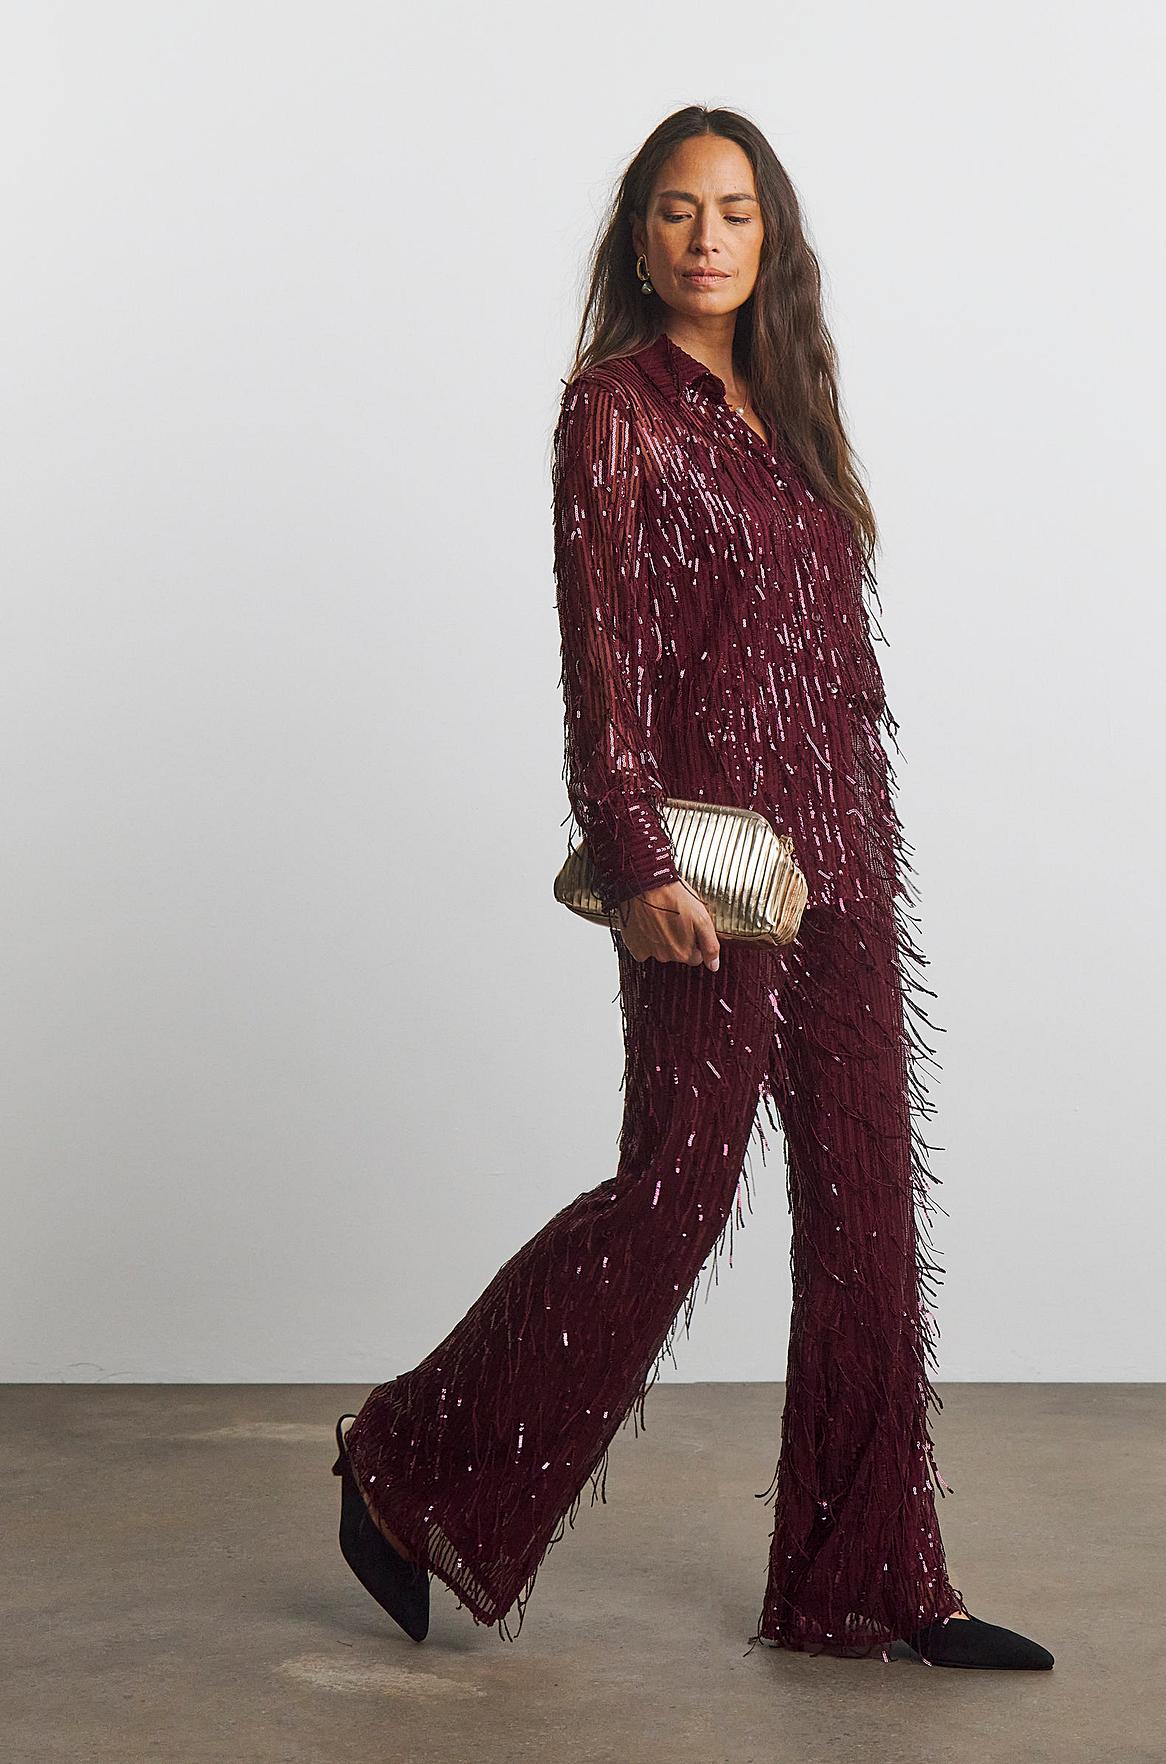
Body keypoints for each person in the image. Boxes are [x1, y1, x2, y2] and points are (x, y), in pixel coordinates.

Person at [332, 105, 1053, 1672]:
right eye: (676, 209)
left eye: (733, 210)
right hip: (707, 869)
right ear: (640, 238)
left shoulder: (792, 404)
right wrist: (636, 856)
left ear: (770, 235)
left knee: (869, 1212)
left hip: (843, 853)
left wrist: (856, 838)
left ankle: (870, 1581)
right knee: (677, 1189)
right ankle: (404, 1453)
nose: (707, 236)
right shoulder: (614, 412)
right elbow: (601, 656)